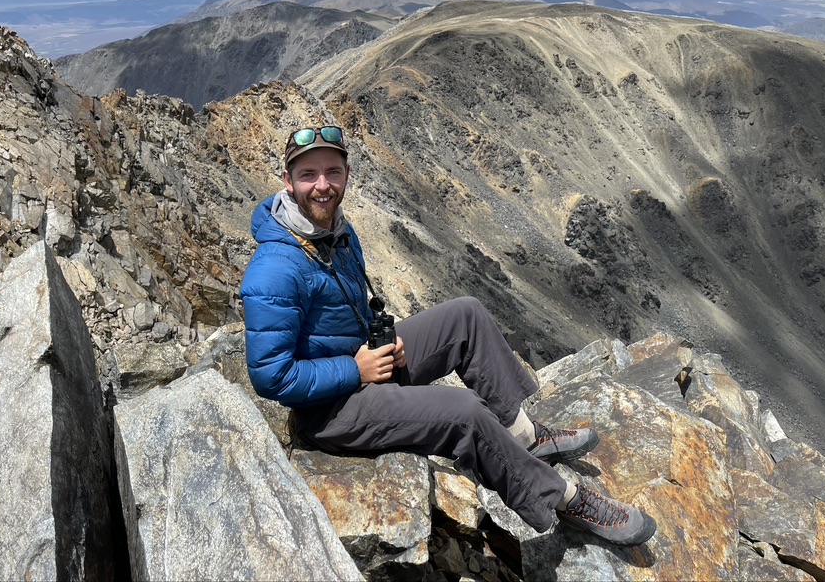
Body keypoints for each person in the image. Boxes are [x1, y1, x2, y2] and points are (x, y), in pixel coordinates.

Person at [240, 124, 657, 546]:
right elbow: (271, 377)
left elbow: (343, 312)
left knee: (466, 315)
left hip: (363, 366)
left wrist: (381, 344)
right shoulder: (274, 268)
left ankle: (522, 436)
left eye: (333, 172)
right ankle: (565, 500)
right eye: (309, 174)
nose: (323, 185)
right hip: (328, 412)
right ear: (288, 182)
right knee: (463, 410)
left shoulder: (337, 234)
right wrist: (354, 369)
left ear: (348, 174)